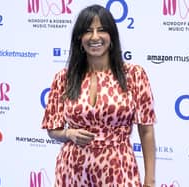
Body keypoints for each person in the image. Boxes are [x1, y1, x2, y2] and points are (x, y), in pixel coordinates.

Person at [42, 4, 156, 187]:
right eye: (88, 31)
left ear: (111, 37)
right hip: (73, 171)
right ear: (80, 38)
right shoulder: (63, 78)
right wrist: (68, 133)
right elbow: (52, 129)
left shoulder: (134, 75)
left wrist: (149, 181)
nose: (95, 37)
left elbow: (147, 131)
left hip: (118, 170)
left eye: (101, 30)